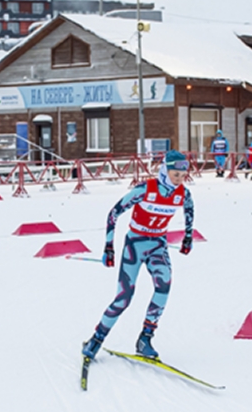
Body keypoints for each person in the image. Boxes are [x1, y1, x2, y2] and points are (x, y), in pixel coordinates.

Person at [81, 150, 195, 362]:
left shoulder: (183, 194)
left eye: (182, 176)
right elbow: (114, 213)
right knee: (124, 298)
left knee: (164, 287)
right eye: (175, 175)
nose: (179, 180)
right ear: (164, 170)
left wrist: (188, 238)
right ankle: (96, 339)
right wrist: (108, 247)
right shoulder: (144, 189)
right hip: (134, 245)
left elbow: (189, 211)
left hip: (158, 245)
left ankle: (145, 339)